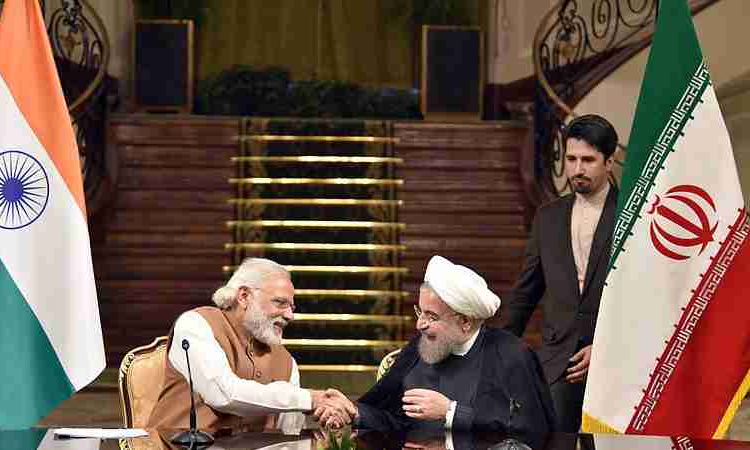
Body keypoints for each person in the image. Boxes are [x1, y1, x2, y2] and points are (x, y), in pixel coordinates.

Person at [318, 255, 556, 434]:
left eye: (432, 317)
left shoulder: (511, 354)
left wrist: (451, 412)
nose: (420, 324)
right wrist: (354, 412)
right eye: (419, 312)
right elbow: (395, 420)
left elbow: (531, 428)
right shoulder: (418, 350)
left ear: (464, 322)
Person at [504, 114, 619, 432]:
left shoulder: (632, 214)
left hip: (616, 361)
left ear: (609, 162)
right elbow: (526, 292)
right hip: (557, 361)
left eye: (588, 160)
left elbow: (644, 295)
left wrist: (606, 347)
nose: (577, 169)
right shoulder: (548, 217)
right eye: (571, 159)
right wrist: (498, 347)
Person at [146, 257, 353, 434]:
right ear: (244, 296)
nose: (290, 315)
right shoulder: (196, 324)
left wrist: (329, 412)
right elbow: (223, 394)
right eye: (280, 303)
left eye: (292, 307)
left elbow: (289, 437)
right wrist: (310, 398)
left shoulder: (286, 362)